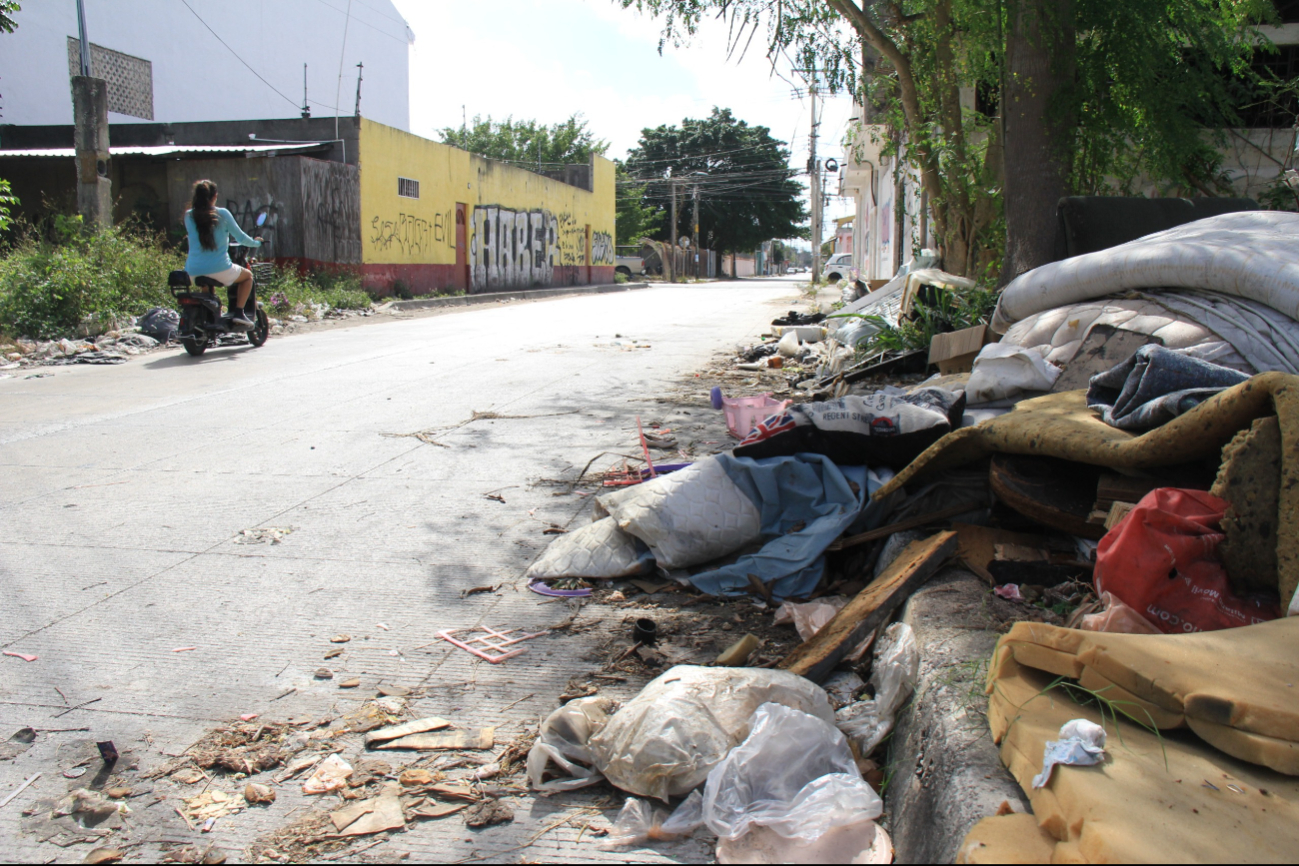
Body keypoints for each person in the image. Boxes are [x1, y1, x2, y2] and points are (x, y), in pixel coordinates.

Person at [184, 179, 262, 330]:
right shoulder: (222, 214)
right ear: (214, 196)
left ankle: (208, 316)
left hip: (192, 271)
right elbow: (240, 238)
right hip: (220, 268)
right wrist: (256, 243)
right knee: (247, 277)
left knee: (205, 282)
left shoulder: (188, 216)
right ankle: (239, 312)